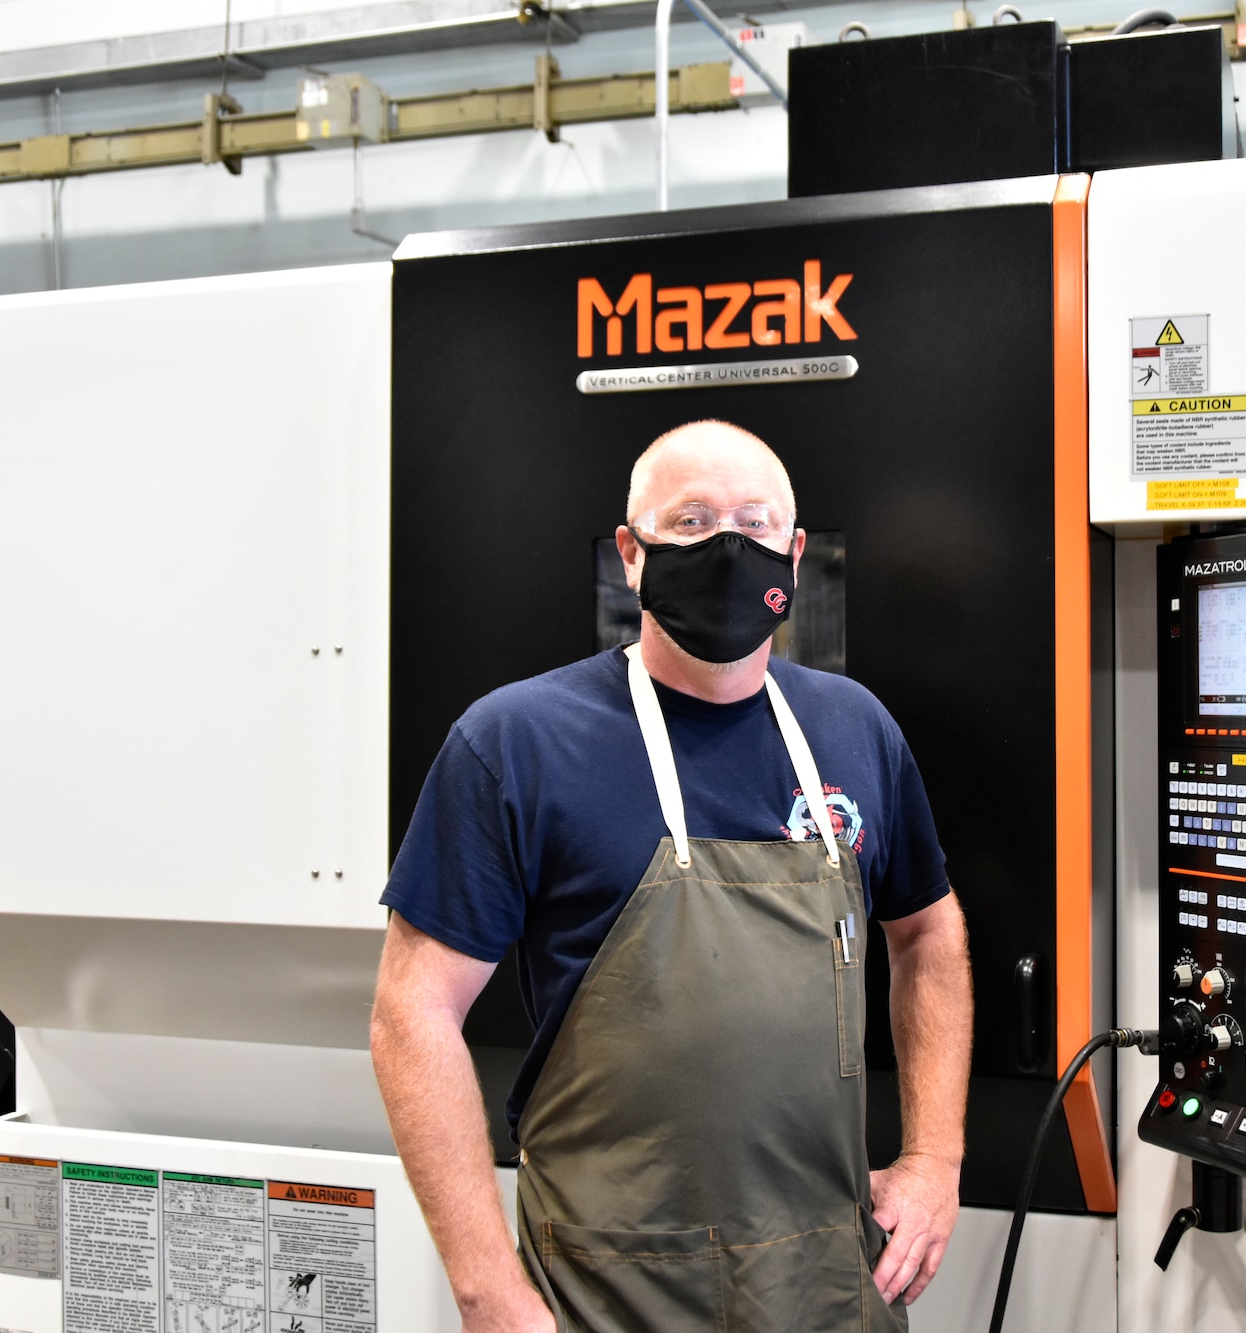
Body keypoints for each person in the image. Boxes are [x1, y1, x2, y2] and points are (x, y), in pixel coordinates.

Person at [371, 419, 973, 1332]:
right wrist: (488, 1288)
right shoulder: (515, 743)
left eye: (753, 521)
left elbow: (928, 936)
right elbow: (410, 1013)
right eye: (689, 521)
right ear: (631, 553)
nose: (727, 546)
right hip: (606, 1292)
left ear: (795, 553)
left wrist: (935, 1160)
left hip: (828, 1287)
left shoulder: (855, 728)